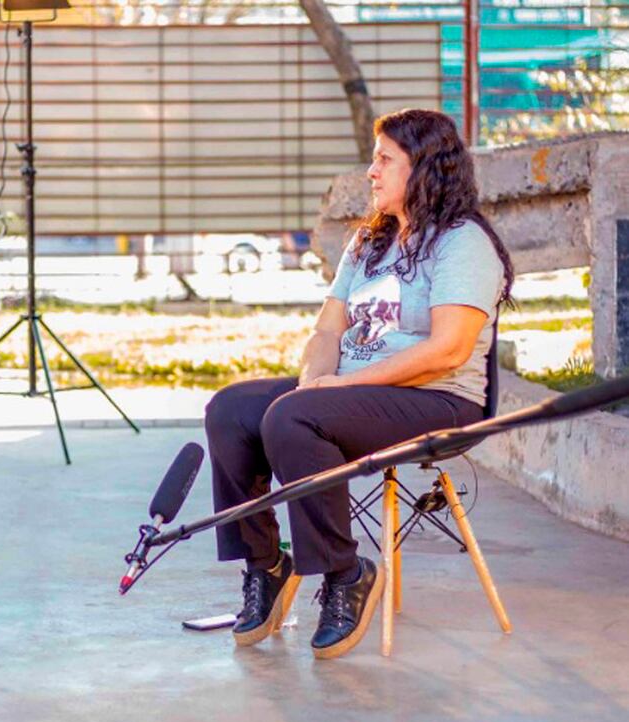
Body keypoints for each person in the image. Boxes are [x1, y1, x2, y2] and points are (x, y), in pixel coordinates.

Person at [204, 108, 515, 660]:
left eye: (384, 160)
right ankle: (266, 563)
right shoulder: (370, 242)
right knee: (231, 409)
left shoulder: (462, 243)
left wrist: (333, 393)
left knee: (294, 418)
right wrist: (313, 382)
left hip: (439, 400)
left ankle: (344, 573)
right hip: (355, 393)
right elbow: (328, 329)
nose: (371, 172)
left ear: (423, 168)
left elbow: (449, 348)